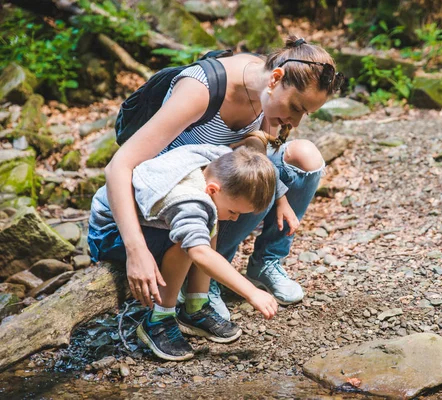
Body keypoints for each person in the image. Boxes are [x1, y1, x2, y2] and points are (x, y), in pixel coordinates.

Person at [104, 35, 344, 320]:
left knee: (303, 156)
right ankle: (209, 276)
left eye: (306, 113)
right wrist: (136, 251)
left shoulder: (264, 87)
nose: (296, 121)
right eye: (296, 107)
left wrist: (279, 197)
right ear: (276, 78)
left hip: (218, 183)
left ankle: (263, 263)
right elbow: (118, 167)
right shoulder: (201, 90)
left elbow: (258, 152)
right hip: (178, 200)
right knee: (258, 185)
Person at [88, 140, 280, 360]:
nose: (235, 218)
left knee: (211, 216)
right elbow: (199, 253)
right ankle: (159, 319)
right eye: (234, 211)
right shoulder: (189, 201)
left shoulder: (216, 160)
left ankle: (195, 306)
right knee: (188, 243)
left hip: (147, 221)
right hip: (110, 233)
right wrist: (251, 292)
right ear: (212, 188)